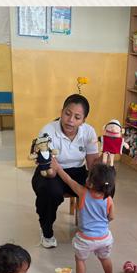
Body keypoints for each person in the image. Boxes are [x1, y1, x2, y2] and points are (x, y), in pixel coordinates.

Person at [31, 93, 100, 248]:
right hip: (51, 173)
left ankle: (94, 227)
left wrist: (106, 156)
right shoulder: (48, 131)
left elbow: (92, 166)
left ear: (83, 120)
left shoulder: (88, 132)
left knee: (103, 184)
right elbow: (52, 171)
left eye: (77, 117)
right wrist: (63, 176)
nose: (70, 120)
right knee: (51, 191)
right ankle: (46, 231)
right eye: (67, 114)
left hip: (78, 170)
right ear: (61, 112)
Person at [51, 161, 115, 273]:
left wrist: (58, 168)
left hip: (85, 239)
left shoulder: (83, 193)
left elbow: (68, 180)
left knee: (80, 260)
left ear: (90, 183)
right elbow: (111, 217)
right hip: (104, 238)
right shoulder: (109, 199)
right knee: (105, 258)